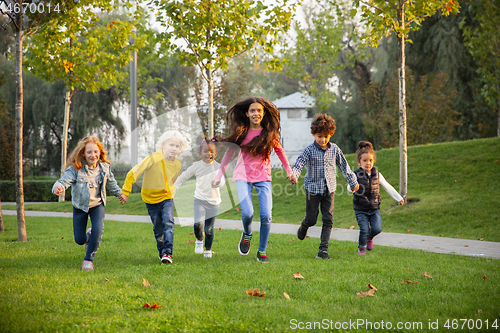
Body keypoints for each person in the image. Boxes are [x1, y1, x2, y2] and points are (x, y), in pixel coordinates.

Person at [211, 97, 297, 262]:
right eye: (252, 110)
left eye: (259, 110)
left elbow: (280, 151)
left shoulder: (269, 133)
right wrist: (218, 176)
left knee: (266, 216)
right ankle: (247, 233)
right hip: (243, 176)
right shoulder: (241, 133)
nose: (256, 113)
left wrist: (289, 171)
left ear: (264, 113)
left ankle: (262, 251)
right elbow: (229, 153)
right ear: (247, 113)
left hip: (263, 177)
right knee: (248, 212)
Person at [52, 136, 126, 271]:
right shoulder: (75, 169)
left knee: (98, 230)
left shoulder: (104, 168)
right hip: (80, 207)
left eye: (96, 152)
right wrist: (58, 188)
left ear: (100, 153)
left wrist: (120, 194)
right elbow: (63, 181)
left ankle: (88, 260)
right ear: (83, 154)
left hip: (98, 205)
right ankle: (88, 237)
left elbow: (111, 183)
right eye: (89, 152)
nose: (93, 155)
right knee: (79, 240)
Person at [292, 114, 359, 259]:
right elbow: (299, 163)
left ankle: (323, 251)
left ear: (331, 135)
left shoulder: (334, 149)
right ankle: (304, 226)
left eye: (326, 136)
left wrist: (353, 182)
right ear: (313, 134)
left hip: (329, 190)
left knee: (328, 220)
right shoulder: (309, 150)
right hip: (313, 190)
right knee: (312, 219)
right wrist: (294, 175)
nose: (323, 139)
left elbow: (344, 166)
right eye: (319, 136)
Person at [121, 130, 188, 264]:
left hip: (166, 197)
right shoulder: (153, 158)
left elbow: (172, 180)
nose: (174, 148)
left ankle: (168, 253)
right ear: (163, 145)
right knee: (158, 227)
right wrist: (125, 191)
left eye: (177, 146)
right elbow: (134, 172)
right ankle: (161, 250)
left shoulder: (177, 164)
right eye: (171, 145)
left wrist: (171, 190)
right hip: (150, 198)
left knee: (168, 222)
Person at [174, 135, 225, 258]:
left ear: (216, 153)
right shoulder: (196, 166)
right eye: (205, 151)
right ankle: (199, 240)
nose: (208, 154)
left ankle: (208, 250)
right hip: (200, 200)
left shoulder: (218, 167)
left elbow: (222, 181)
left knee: (209, 229)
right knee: (198, 224)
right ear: (200, 153)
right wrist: (175, 186)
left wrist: (218, 182)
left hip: (214, 202)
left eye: (211, 151)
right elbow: (184, 176)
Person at [352, 141, 404, 255]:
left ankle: (369, 238)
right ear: (359, 162)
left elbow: (388, 187)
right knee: (364, 229)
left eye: (370, 160)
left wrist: (398, 198)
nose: (368, 163)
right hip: (360, 209)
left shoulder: (377, 175)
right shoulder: (355, 175)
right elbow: (349, 186)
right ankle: (362, 248)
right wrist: (352, 188)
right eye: (364, 160)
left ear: (373, 161)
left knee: (377, 229)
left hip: (374, 208)